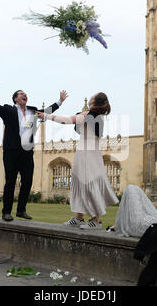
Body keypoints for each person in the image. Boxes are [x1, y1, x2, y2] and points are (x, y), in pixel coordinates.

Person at [0, 73, 68, 222]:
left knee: (27, 181)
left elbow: (46, 112)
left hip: (27, 151)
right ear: (15, 98)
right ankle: (6, 212)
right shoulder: (8, 110)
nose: (24, 95)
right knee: (10, 181)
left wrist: (59, 101)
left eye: (25, 94)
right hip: (11, 151)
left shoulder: (32, 111)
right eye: (21, 94)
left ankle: (21, 210)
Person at [37, 92, 119, 229]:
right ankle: (79, 217)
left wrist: (47, 116)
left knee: (89, 183)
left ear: (94, 101)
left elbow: (67, 120)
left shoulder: (92, 115)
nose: (90, 96)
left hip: (89, 153)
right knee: (80, 183)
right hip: (84, 151)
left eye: (92, 96)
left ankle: (96, 220)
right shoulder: (93, 114)